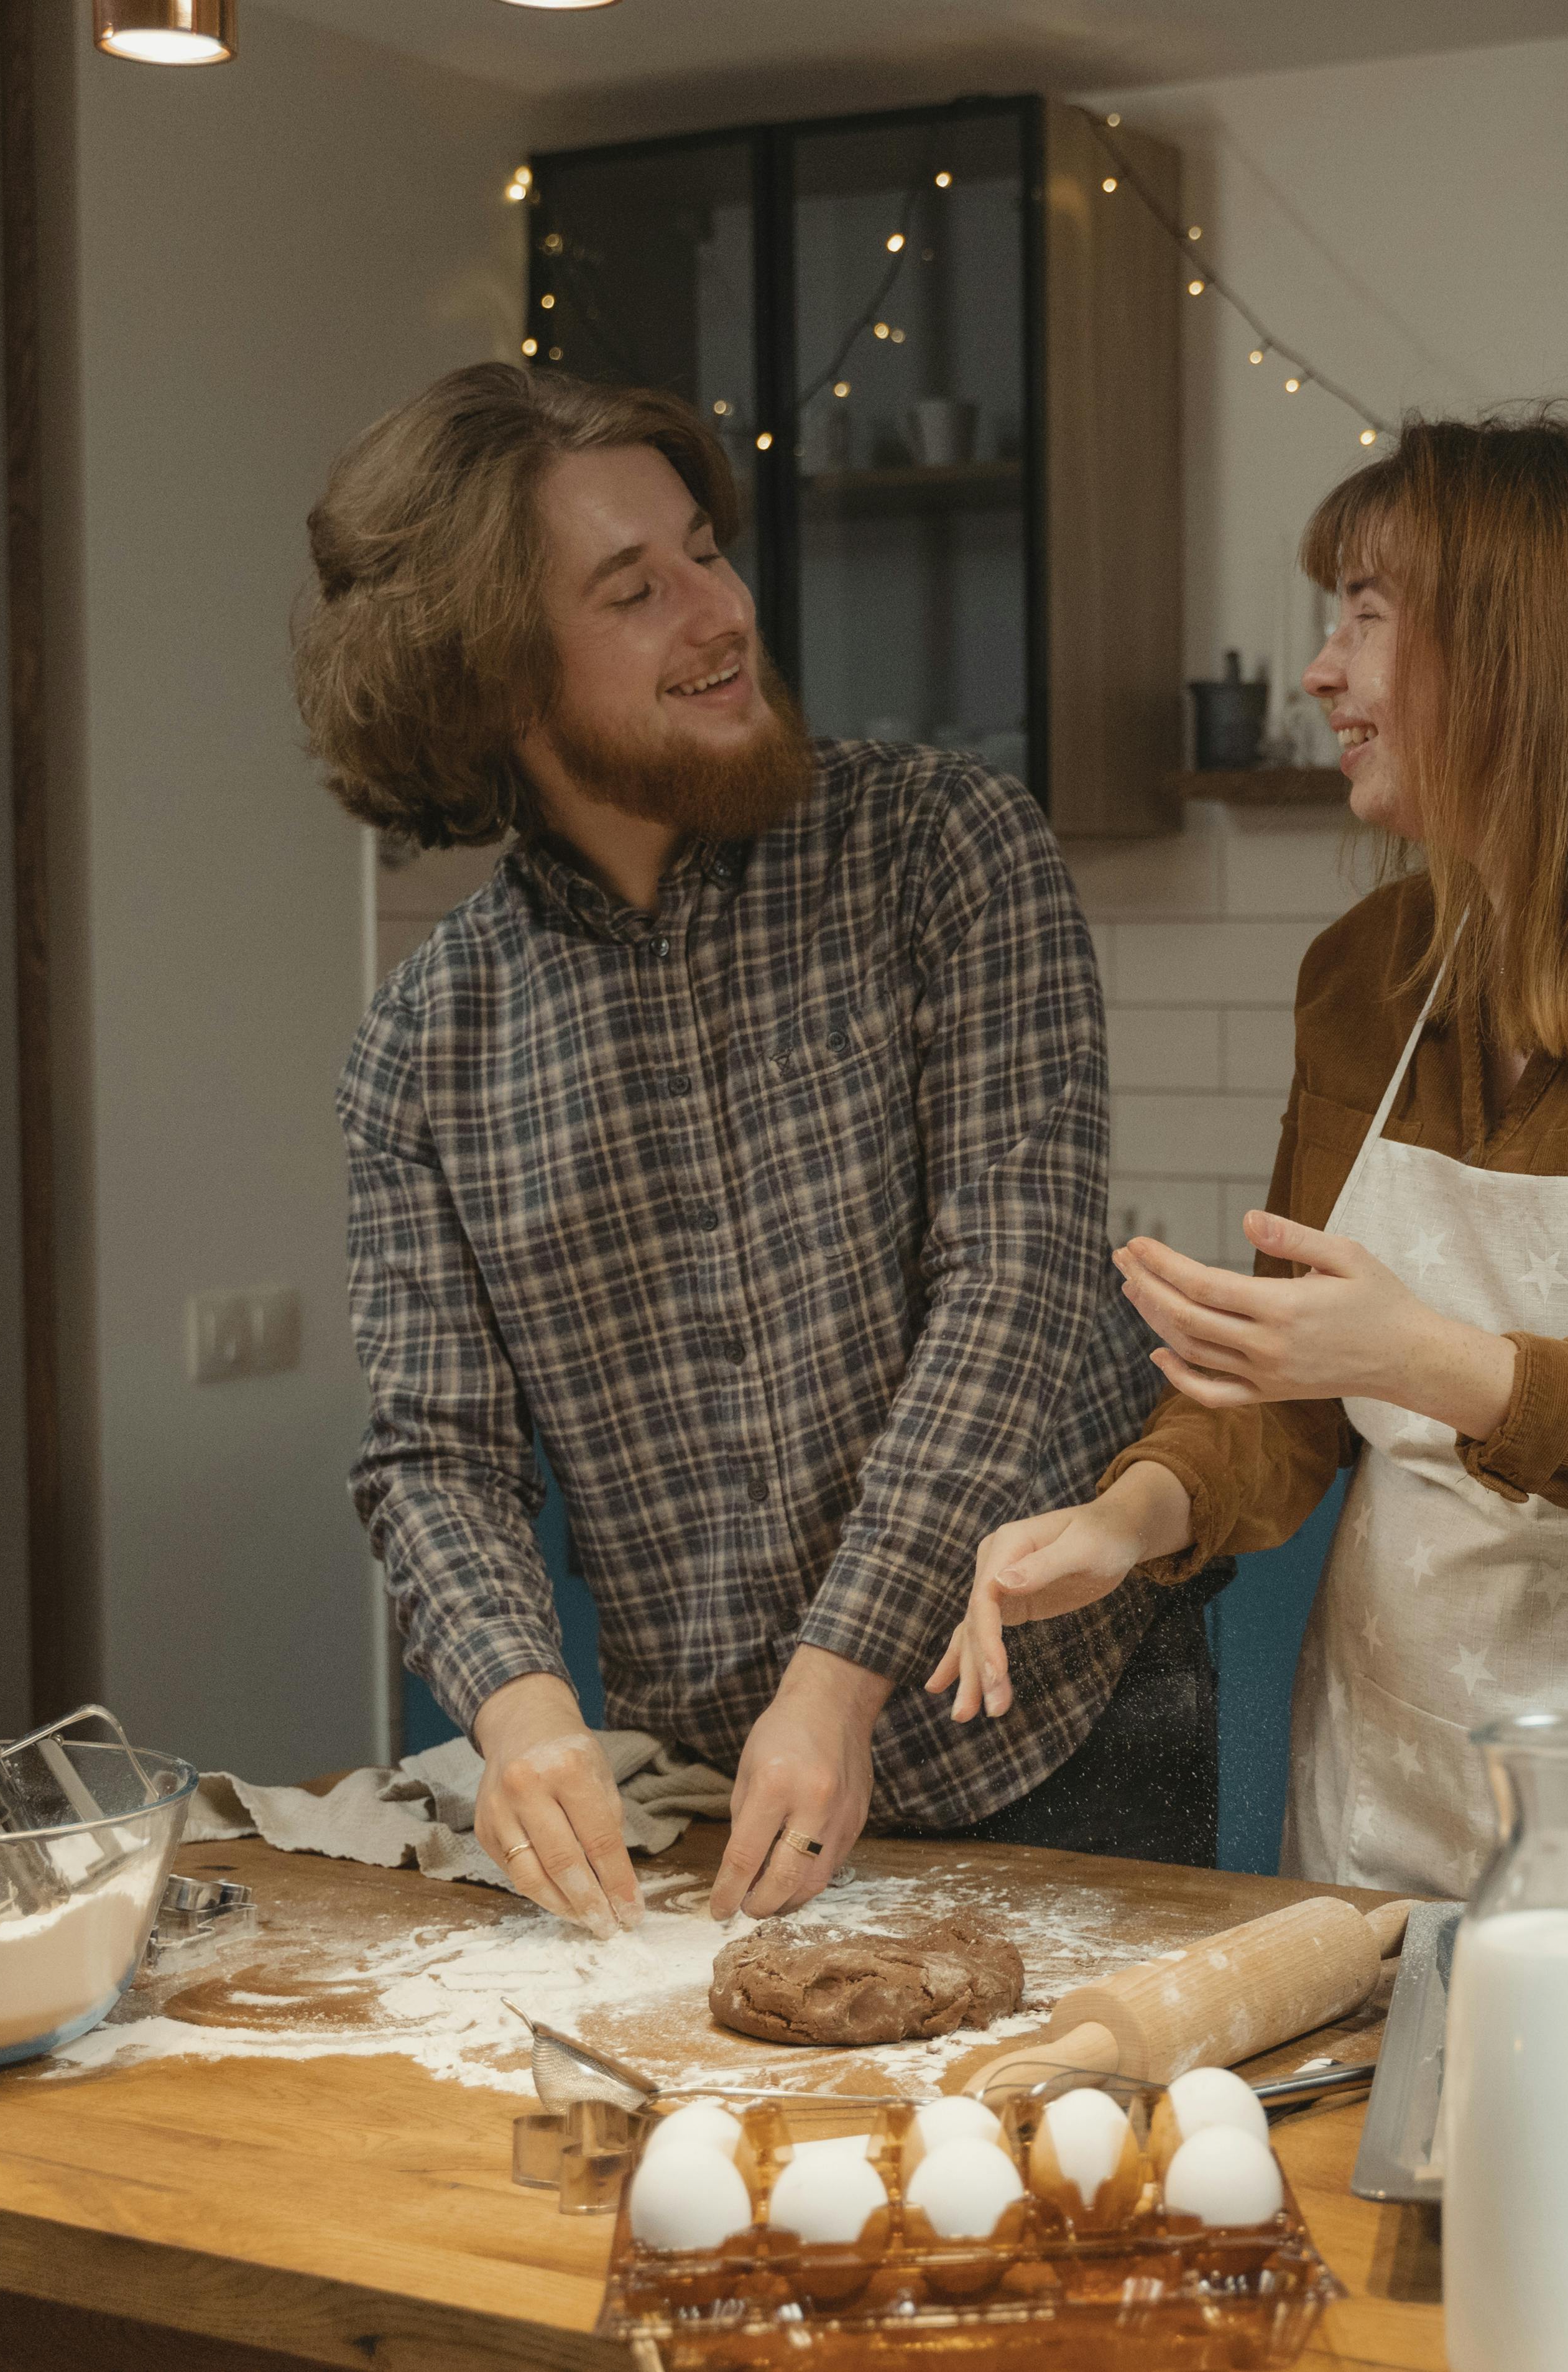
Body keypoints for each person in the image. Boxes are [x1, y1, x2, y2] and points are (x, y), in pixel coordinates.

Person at [927, 409, 1568, 1913]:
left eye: (1364, 614)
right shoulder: (1370, 973)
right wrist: (1131, 1514)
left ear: (1519, 651)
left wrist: (1433, 1358)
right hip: (1394, 1795)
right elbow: (1291, 1394)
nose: (1321, 673)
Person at [303, 364, 1204, 1939]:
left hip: (1068, 1737)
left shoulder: (946, 849)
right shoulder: (422, 1047)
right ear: (494, 680)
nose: (717, 610)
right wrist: (522, 1717)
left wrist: (837, 1675)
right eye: (632, 589)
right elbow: (434, 1449)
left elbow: (1014, 1282)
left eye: (704, 551)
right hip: (721, 1781)